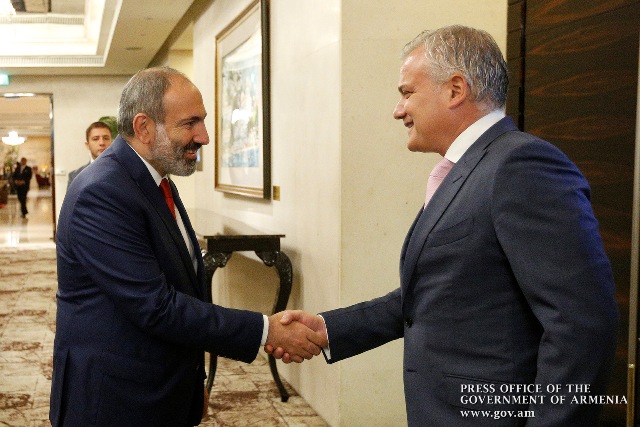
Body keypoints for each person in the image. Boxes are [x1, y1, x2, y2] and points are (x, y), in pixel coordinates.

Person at [270, 25, 618, 426]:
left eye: (406, 93)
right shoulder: (467, 169)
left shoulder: (522, 166)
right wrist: (329, 329)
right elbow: (436, 294)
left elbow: (581, 325)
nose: (398, 110)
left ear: (455, 90)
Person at [50, 67, 327, 427]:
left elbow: (184, 288)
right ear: (144, 127)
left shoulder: (154, 180)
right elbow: (156, 306)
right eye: (190, 123)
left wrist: (193, 382)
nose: (204, 137)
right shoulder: (102, 192)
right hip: (115, 401)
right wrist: (266, 330)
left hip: (159, 388)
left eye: (203, 121)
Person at [67, 121, 113, 189]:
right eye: (95, 139)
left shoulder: (124, 172)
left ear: (112, 143)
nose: (102, 143)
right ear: (87, 145)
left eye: (106, 138)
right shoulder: (75, 176)